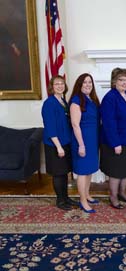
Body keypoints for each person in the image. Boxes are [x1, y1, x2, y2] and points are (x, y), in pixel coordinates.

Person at [100, 68, 126, 209]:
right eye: (121, 79)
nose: (124, 82)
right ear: (114, 81)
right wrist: (115, 143)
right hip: (115, 143)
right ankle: (113, 197)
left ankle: (123, 193)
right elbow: (109, 123)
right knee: (116, 172)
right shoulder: (110, 98)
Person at [41, 76, 79, 211]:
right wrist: (58, 146)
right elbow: (50, 127)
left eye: (62, 83)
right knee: (58, 173)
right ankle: (60, 201)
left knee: (64, 173)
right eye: (56, 84)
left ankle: (66, 197)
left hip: (66, 142)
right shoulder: (49, 103)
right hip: (55, 145)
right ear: (52, 87)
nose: (60, 86)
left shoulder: (63, 101)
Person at [69, 73, 100, 213]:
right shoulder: (76, 100)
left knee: (89, 170)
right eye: (85, 82)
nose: (88, 85)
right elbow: (75, 124)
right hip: (82, 140)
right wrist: (81, 145)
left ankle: (87, 194)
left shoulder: (92, 100)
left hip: (92, 140)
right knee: (82, 171)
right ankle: (82, 201)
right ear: (79, 85)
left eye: (90, 82)